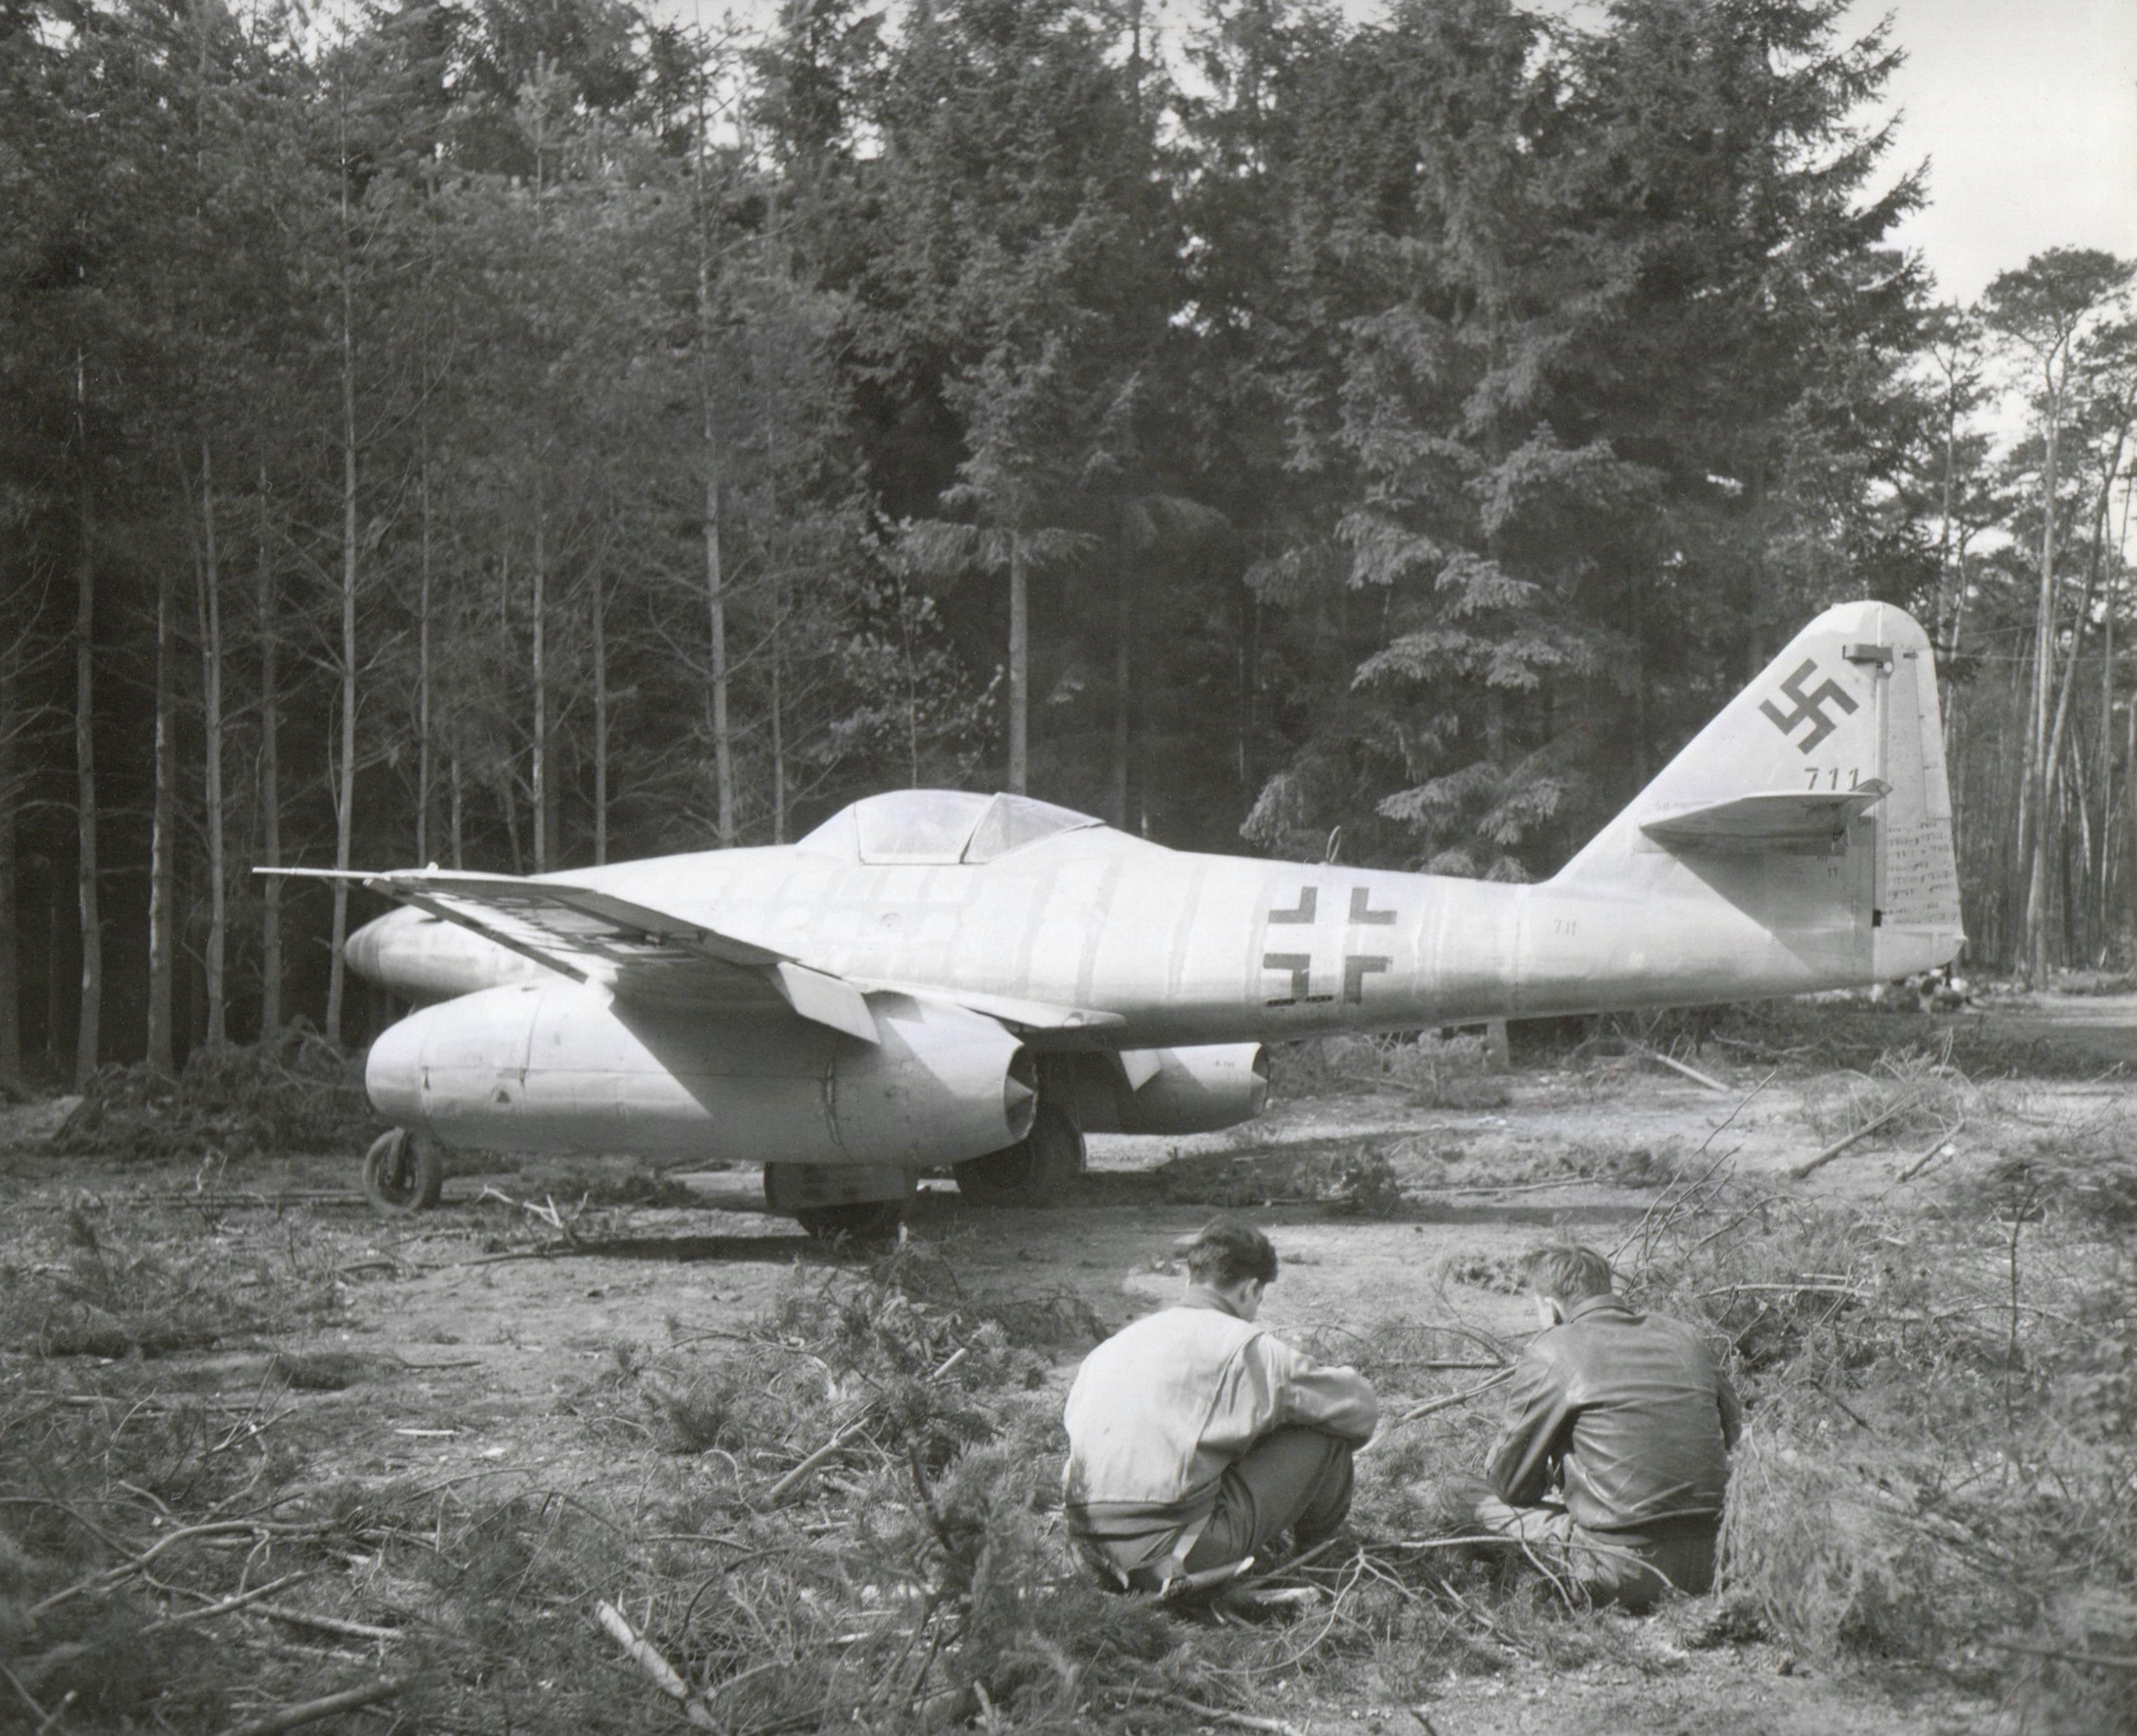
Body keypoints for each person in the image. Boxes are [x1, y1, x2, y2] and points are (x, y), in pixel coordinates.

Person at [1061, 1220, 1379, 1593]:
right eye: (1258, 1301)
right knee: (1326, 1433)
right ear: (1251, 1290)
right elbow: (1360, 1410)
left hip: (1089, 1551)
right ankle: (1319, 1562)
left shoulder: (1110, 1349)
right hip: (1173, 1555)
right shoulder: (1246, 1347)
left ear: (1189, 1280)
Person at [1476, 1243, 1742, 1611]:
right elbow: (1733, 1433)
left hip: (1620, 1567)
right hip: (1717, 1558)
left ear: (1551, 1308)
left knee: (1457, 1495)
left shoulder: (1554, 1348)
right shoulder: (1683, 1335)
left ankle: (1502, 1588)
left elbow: (1509, 1485)